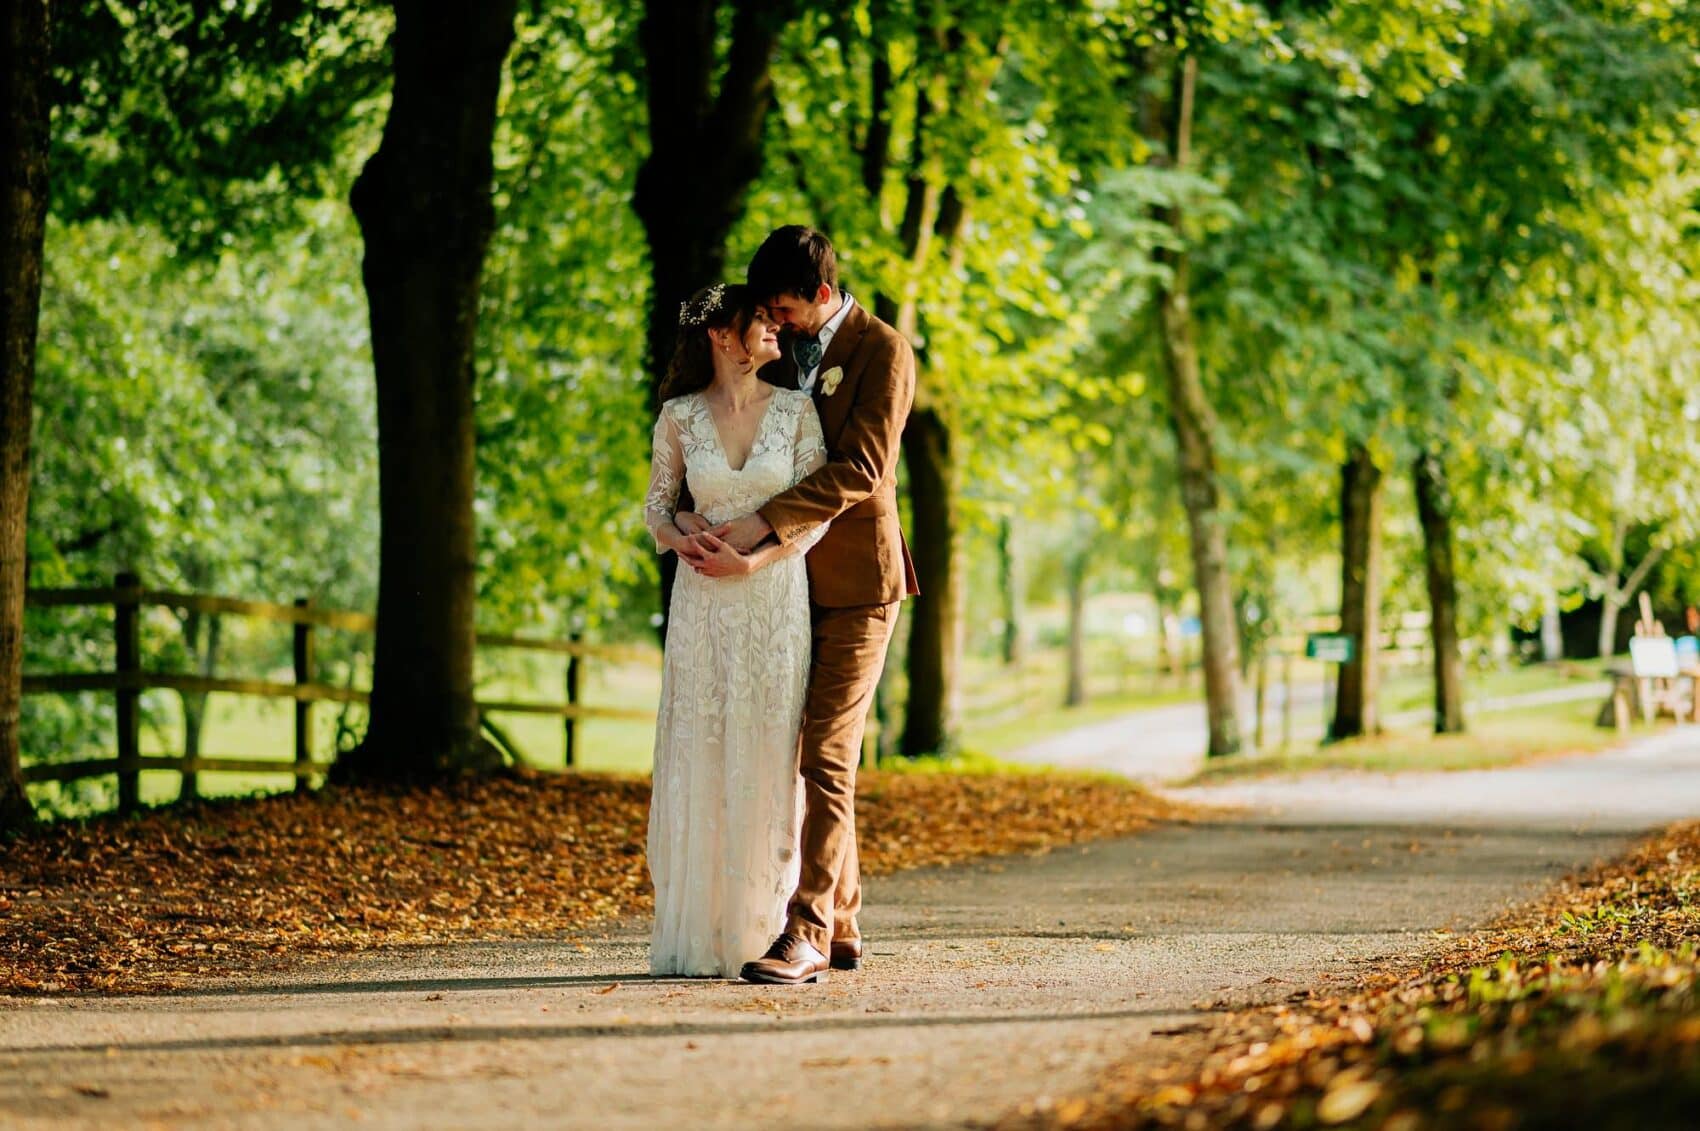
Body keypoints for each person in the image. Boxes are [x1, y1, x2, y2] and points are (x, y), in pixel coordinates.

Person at [709, 226, 920, 985]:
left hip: (861, 583)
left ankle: (804, 929)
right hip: (788, 582)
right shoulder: (790, 351)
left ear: (823, 295)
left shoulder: (883, 350)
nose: (778, 320)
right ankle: (846, 923)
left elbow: (862, 467)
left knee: (825, 752)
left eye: (788, 307)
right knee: (801, 746)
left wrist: (765, 521)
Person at [643, 283, 830, 977]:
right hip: (702, 609)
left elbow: (814, 517)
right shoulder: (679, 417)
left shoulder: (797, 411)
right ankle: (705, 929)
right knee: (704, 745)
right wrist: (682, 530)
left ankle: (770, 925)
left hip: (774, 602)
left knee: (769, 751)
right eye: (760, 320)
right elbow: (657, 508)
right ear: (723, 336)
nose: (776, 328)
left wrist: (753, 558)